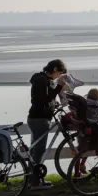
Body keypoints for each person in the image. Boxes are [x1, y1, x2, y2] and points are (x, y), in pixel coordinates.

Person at [27, 59, 67, 189]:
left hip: (34, 117)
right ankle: (35, 183)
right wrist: (60, 87)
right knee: (39, 150)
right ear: (54, 69)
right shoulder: (42, 80)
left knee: (34, 150)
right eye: (59, 73)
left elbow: (43, 99)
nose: (59, 76)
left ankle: (31, 179)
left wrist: (52, 104)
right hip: (40, 118)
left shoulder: (40, 79)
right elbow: (46, 98)